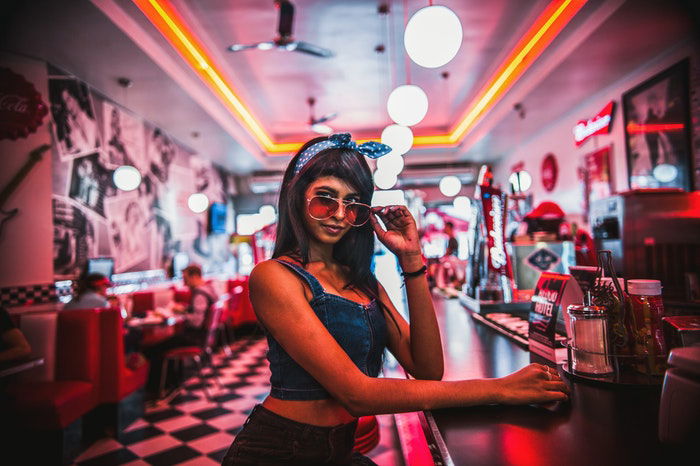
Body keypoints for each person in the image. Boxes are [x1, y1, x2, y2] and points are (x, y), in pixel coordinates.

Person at [222, 133, 568, 465]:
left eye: (352, 204)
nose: (340, 215)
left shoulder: (361, 281)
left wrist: (412, 260)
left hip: (338, 453)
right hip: (280, 452)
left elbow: (428, 368)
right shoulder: (274, 276)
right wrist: (498, 390)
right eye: (325, 200)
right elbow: (357, 394)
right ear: (297, 199)